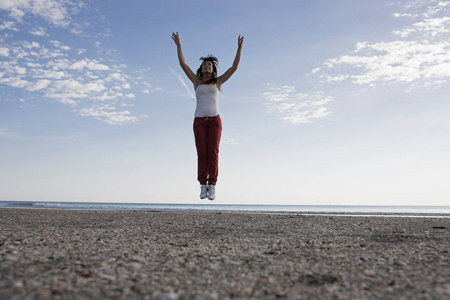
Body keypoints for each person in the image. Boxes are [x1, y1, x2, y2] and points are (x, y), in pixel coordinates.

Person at [171, 32, 244, 200]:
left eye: (210, 65)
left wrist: (239, 49)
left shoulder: (217, 82)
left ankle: (212, 185)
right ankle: (203, 185)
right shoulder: (196, 81)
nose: (207, 66)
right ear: (202, 68)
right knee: (201, 152)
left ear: (213, 69)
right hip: (198, 121)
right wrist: (179, 45)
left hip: (214, 121)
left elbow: (234, 68)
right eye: (205, 64)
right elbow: (183, 64)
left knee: (213, 152)